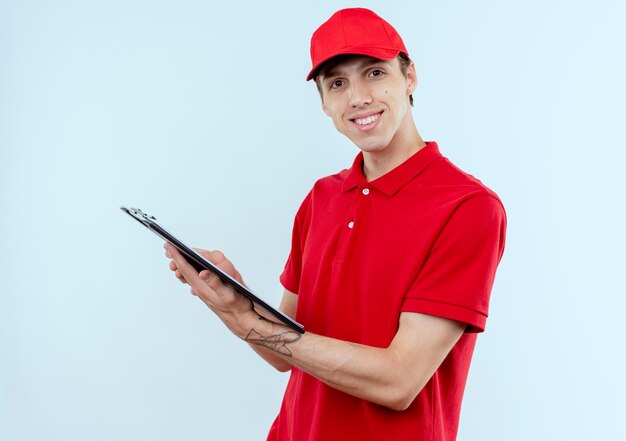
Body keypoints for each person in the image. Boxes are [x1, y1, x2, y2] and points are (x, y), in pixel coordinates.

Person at [165, 7, 507, 441]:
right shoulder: (321, 198)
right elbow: (285, 354)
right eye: (338, 83)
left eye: (375, 73)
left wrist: (252, 326)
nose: (358, 97)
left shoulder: (468, 207)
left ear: (410, 77)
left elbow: (399, 381)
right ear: (324, 103)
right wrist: (235, 305)